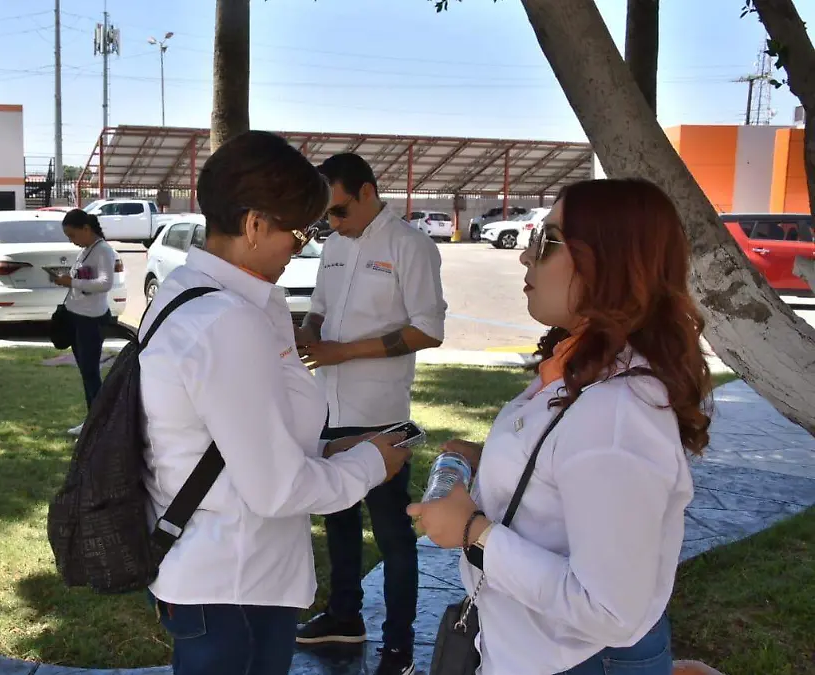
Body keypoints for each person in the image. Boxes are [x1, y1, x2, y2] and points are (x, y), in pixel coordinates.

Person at [407, 179, 712, 675]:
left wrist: (472, 531)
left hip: (576, 660)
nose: (527, 258)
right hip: (534, 647)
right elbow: (562, 478)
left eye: (546, 242)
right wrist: (488, 461)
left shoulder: (616, 415)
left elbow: (608, 607)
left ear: (605, 265)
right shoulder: (582, 372)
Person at [140, 130, 413, 675]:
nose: (304, 244)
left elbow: (246, 438)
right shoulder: (225, 322)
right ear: (255, 225)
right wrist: (369, 465)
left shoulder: (206, 295)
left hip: (238, 575)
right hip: (228, 587)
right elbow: (277, 487)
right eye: (299, 229)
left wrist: (335, 450)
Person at [294, 154, 447, 675]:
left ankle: (399, 646)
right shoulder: (334, 244)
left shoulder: (411, 246)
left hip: (378, 412)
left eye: (337, 211)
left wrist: (345, 351)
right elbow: (319, 303)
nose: (331, 224)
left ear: (365, 192)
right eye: (325, 217)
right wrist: (310, 330)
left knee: (391, 533)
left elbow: (428, 330)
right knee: (337, 516)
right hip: (327, 402)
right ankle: (343, 616)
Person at [52, 209, 118, 435]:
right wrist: (67, 280)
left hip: (91, 320)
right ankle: (94, 419)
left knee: (90, 373)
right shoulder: (88, 250)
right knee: (86, 372)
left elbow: (105, 284)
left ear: (86, 229)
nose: (71, 241)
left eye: (72, 235)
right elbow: (83, 278)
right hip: (77, 316)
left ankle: (99, 422)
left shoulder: (103, 251)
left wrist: (72, 282)